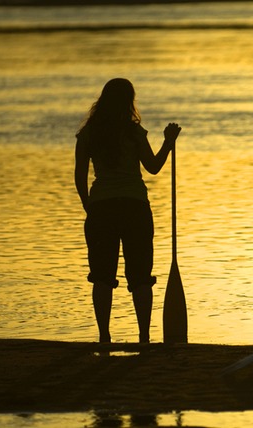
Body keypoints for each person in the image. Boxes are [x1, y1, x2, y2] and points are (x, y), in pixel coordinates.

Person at [74, 78, 181, 343]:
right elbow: (153, 167)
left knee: (101, 274)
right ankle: (144, 337)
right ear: (128, 101)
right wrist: (168, 142)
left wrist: (89, 205)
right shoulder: (134, 132)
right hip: (135, 206)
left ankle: (104, 336)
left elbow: (79, 175)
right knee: (141, 275)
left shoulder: (89, 133)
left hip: (102, 207)